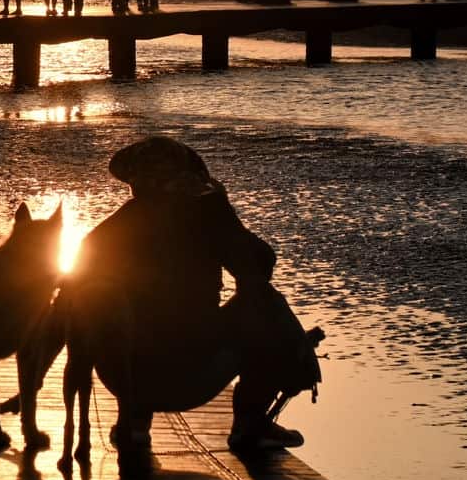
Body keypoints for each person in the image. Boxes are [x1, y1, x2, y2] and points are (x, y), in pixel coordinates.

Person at [59, 136, 323, 458]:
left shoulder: (111, 229)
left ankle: (135, 421)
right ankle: (250, 424)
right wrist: (225, 213)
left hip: (121, 377)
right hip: (189, 374)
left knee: (122, 317)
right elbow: (259, 267)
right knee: (265, 302)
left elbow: (74, 293)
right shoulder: (207, 218)